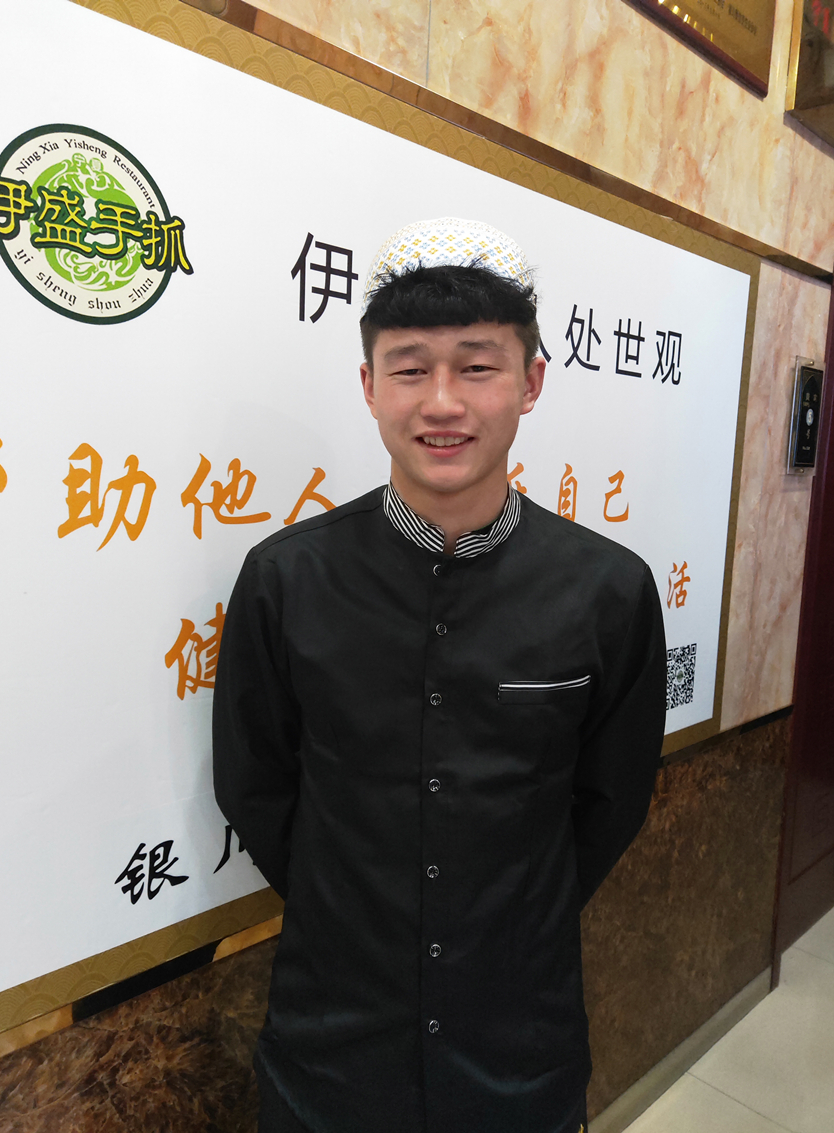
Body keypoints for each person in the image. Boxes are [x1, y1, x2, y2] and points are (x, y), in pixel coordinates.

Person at [212, 217, 667, 1133]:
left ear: (531, 382)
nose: (443, 402)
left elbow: (610, 800)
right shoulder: (286, 578)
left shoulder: (608, 590)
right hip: (330, 1045)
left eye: (478, 366)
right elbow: (254, 782)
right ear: (370, 387)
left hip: (519, 1043)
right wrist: (351, 907)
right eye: (411, 369)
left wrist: (506, 916)